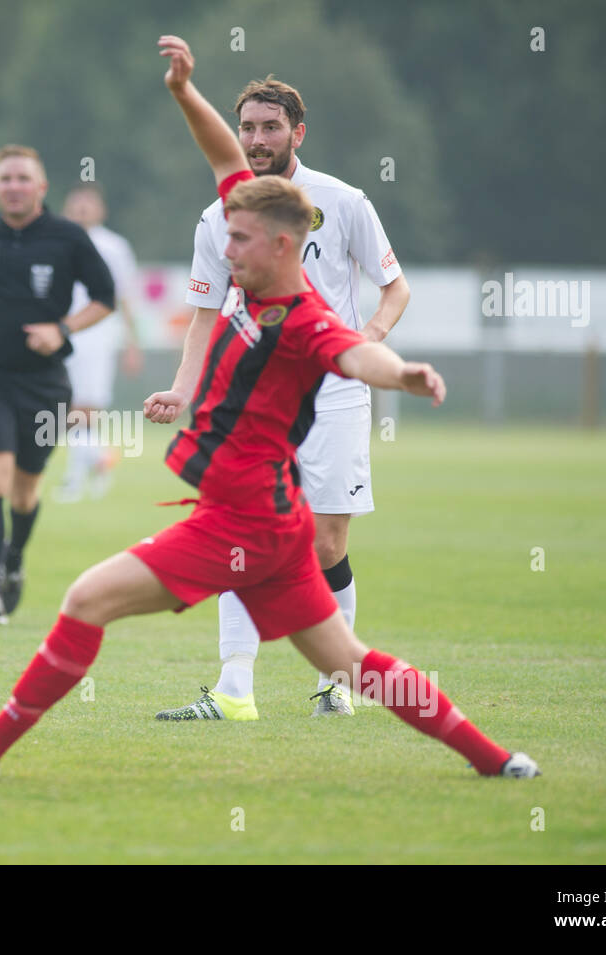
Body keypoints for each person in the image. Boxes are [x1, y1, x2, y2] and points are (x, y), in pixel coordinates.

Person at [0, 36, 539, 782]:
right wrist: (184, 91)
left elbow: (356, 355)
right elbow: (222, 158)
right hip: (272, 525)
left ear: (283, 244)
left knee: (85, 599)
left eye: (240, 240)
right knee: (355, 663)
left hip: (240, 523)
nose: (226, 248)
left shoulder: (307, 320)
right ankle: (495, 759)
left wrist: (403, 373)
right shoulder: (251, 257)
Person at [156, 72, 410, 722]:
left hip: (335, 395)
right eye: (247, 127)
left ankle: (337, 680)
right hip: (256, 400)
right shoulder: (220, 216)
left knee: (326, 543)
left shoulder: (343, 200)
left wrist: (361, 343)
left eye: (270, 127)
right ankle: (234, 687)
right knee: (242, 537)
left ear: (298, 132)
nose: (257, 138)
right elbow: (204, 315)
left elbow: (394, 287)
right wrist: (184, 391)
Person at [0, 145, 116, 625]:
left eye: (24, 178)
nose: (14, 185)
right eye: (6, 178)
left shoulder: (67, 238)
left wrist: (61, 330)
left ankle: (13, 559)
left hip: (44, 386)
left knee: (24, 492)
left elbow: (105, 298)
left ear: (41, 187)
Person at [56, 184, 144, 502]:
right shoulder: (58, 241)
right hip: (62, 333)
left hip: (97, 335)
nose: (81, 210)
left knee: (85, 407)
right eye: (75, 204)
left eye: (88, 204)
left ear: (101, 210)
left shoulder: (113, 247)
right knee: (65, 406)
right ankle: (99, 459)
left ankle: (75, 478)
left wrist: (132, 343)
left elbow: (125, 298)